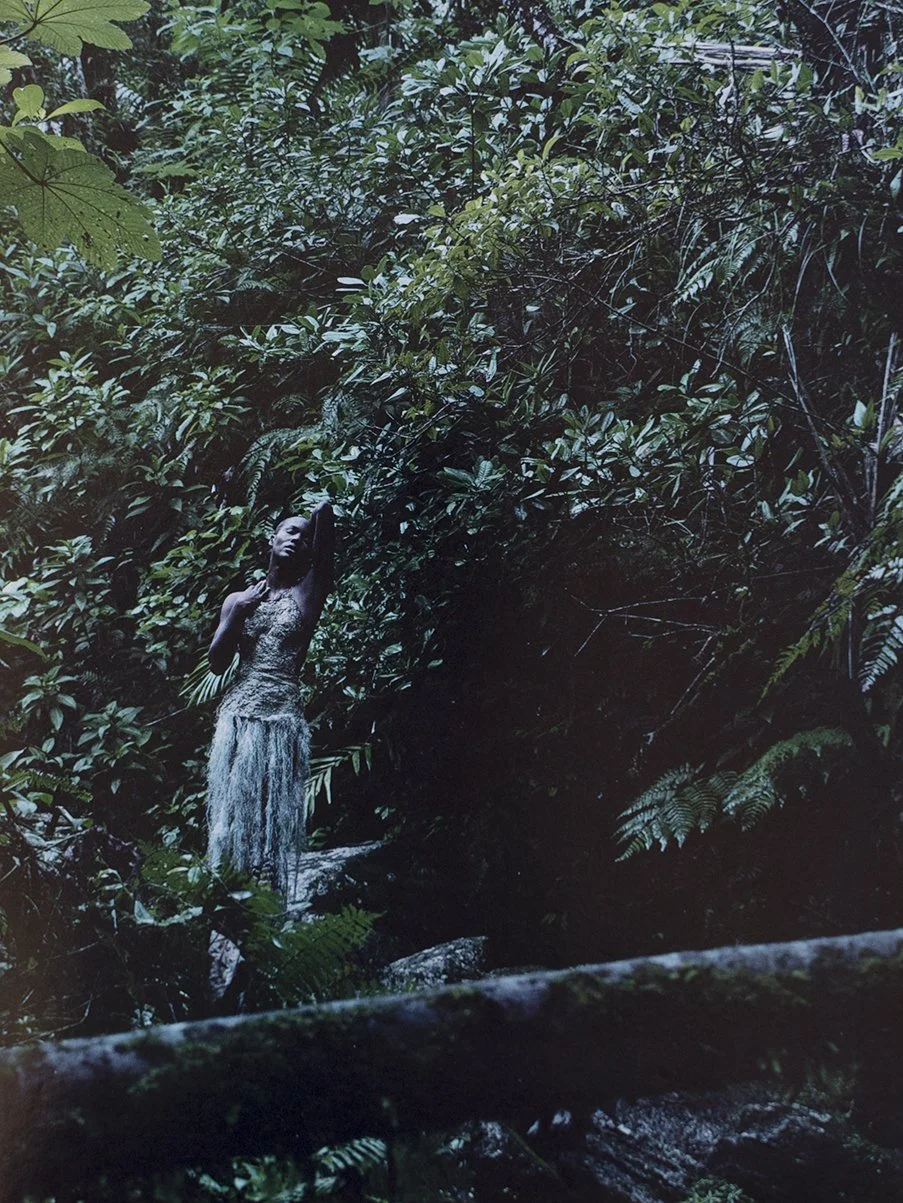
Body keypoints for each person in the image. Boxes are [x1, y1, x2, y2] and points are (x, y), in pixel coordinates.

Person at [205, 502, 334, 897]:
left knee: (269, 810)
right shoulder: (238, 599)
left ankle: (266, 897)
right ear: (271, 539)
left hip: (280, 719)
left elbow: (325, 519)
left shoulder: (308, 593)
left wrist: (317, 517)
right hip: (237, 717)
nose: (297, 539)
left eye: (305, 537)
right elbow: (216, 662)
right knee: (232, 808)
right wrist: (236, 615)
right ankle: (226, 889)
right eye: (289, 531)